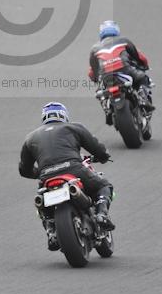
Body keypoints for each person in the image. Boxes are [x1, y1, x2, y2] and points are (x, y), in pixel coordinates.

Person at [19, 102, 115, 240]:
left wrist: (40, 173)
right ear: (64, 115)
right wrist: (103, 157)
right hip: (74, 169)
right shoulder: (74, 127)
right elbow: (97, 148)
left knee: (41, 203)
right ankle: (101, 215)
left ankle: (51, 231)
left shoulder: (30, 138)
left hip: (47, 177)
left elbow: (24, 169)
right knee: (104, 186)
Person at [89, 21, 154, 114]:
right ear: (116, 30)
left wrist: (94, 78)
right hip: (125, 70)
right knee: (143, 78)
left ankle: (106, 109)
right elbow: (139, 57)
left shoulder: (95, 48)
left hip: (106, 76)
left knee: (101, 91)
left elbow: (92, 71)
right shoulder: (124, 40)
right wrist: (144, 65)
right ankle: (143, 99)